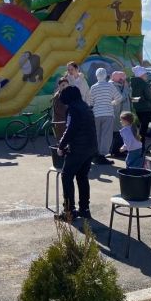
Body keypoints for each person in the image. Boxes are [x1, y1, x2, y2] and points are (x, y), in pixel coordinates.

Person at [55, 86, 98, 221]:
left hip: (79, 148)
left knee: (66, 176)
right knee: (82, 177)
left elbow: (71, 130)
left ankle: (69, 211)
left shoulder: (73, 109)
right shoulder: (85, 106)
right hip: (90, 148)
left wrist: (61, 146)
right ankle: (84, 209)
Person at [90, 68, 122, 165]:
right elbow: (119, 98)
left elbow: (91, 102)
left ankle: (95, 154)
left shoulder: (93, 87)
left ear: (96, 76)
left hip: (96, 114)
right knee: (106, 136)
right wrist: (112, 103)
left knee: (96, 135)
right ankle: (102, 156)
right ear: (105, 75)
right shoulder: (110, 86)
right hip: (108, 113)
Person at [131, 65, 151, 142]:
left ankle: (136, 145)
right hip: (145, 108)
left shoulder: (131, 83)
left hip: (135, 108)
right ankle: (141, 146)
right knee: (143, 129)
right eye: (145, 74)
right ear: (141, 75)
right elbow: (149, 97)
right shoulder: (144, 84)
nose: (146, 76)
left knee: (137, 127)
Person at [109, 71, 130, 157]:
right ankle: (116, 151)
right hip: (117, 112)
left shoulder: (117, 85)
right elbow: (121, 98)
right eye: (123, 79)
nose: (124, 80)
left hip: (120, 112)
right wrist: (126, 88)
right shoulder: (114, 86)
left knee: (118, 132)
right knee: (117, 133)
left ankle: (116, 150)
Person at [52, 77, 69, 142]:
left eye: (66, 85)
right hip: (60, 123)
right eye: (63, 85)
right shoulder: (57, 97)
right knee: (62, 143)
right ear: (59, 86)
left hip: (65, 122)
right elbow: (59, 110)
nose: (65, 87)